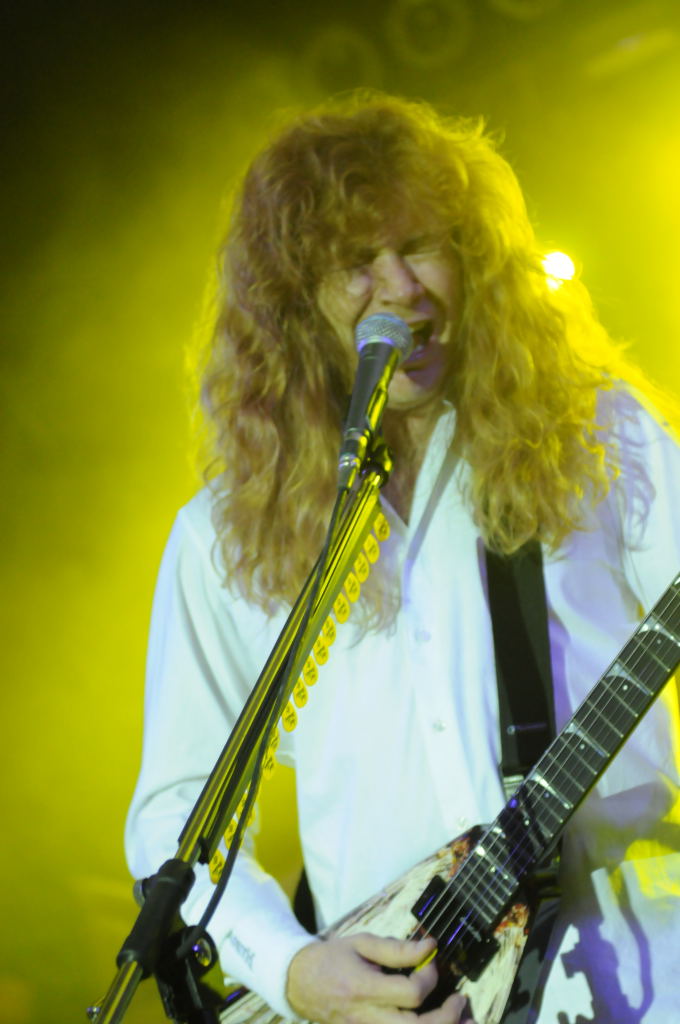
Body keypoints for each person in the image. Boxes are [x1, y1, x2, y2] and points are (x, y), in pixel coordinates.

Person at [125, 92, 680, 1024]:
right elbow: (176, 812)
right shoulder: (226, 531)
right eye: (356, 263)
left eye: (420, 246)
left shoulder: (594, 430)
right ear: (296, 300)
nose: (401, 289)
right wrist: (294, 971)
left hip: (637, 970)